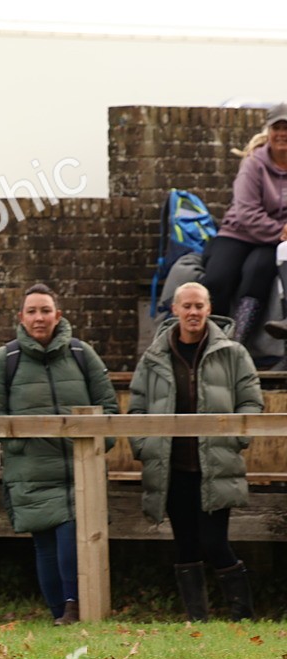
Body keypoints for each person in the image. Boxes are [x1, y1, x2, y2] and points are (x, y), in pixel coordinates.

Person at [0, 284, 119, 624]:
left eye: (45, 310)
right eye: (32, 311)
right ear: (21, 317)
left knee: (70, 533)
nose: (39, 318)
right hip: (32, 472)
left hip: (80, 470)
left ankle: (73, 606)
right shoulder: (4, 360)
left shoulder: (81, 354)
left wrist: (98, 448)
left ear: (58, 315)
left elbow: (110, 410)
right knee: (44, 542)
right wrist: (23, 448)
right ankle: (60, 612)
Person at [129, 282, 263, 621]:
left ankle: (241, 614)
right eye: (186, 306)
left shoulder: (232, 353)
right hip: (171, 467)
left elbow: (251, 403)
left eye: (199, 306)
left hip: (215, 465)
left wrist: (234, 440)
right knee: (185, 544)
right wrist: (144, 446)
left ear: (209, 308)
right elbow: (137, 408)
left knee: (215, 542)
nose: (193, 312)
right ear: (174, 310)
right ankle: (196, 619)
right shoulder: (154, 356)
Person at [202, 102, 287, 345]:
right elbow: (246, 211)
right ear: (268, 131)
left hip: (273, 242)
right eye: (277, 127)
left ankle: (237, 340)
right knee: (218, 278)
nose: (282, 134)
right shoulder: (253, 164)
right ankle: (211, 338)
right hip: (239, 233)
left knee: (257, 273)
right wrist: (280, 230)